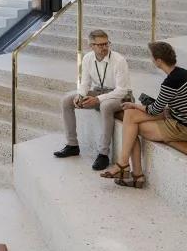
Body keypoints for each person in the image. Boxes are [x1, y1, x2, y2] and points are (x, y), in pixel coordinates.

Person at [100, 41, 187, 189]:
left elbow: (154, 110)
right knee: (130, 116)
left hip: (184, 129)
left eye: (152, 57)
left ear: (159, 61)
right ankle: (130, 171)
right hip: (178, 119)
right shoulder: (183, 73)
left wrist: (135, 105)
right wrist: (134, 107)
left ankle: (128, 169)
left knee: (131, 127)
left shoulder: (171, 82)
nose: (151, 60)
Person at [54, 29, 132, 171]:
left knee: (105, 106)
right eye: (100, 45)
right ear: (91, 46)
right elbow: (85, 83)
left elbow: (122, 90)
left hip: (121, 96)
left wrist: (97, 99)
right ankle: (72, 145)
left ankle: (103, 154)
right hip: (99, 92)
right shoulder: (87, 58)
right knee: (67, 100)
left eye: (106, 43)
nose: (105, 47)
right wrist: (80, 95)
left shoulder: (119, 60)